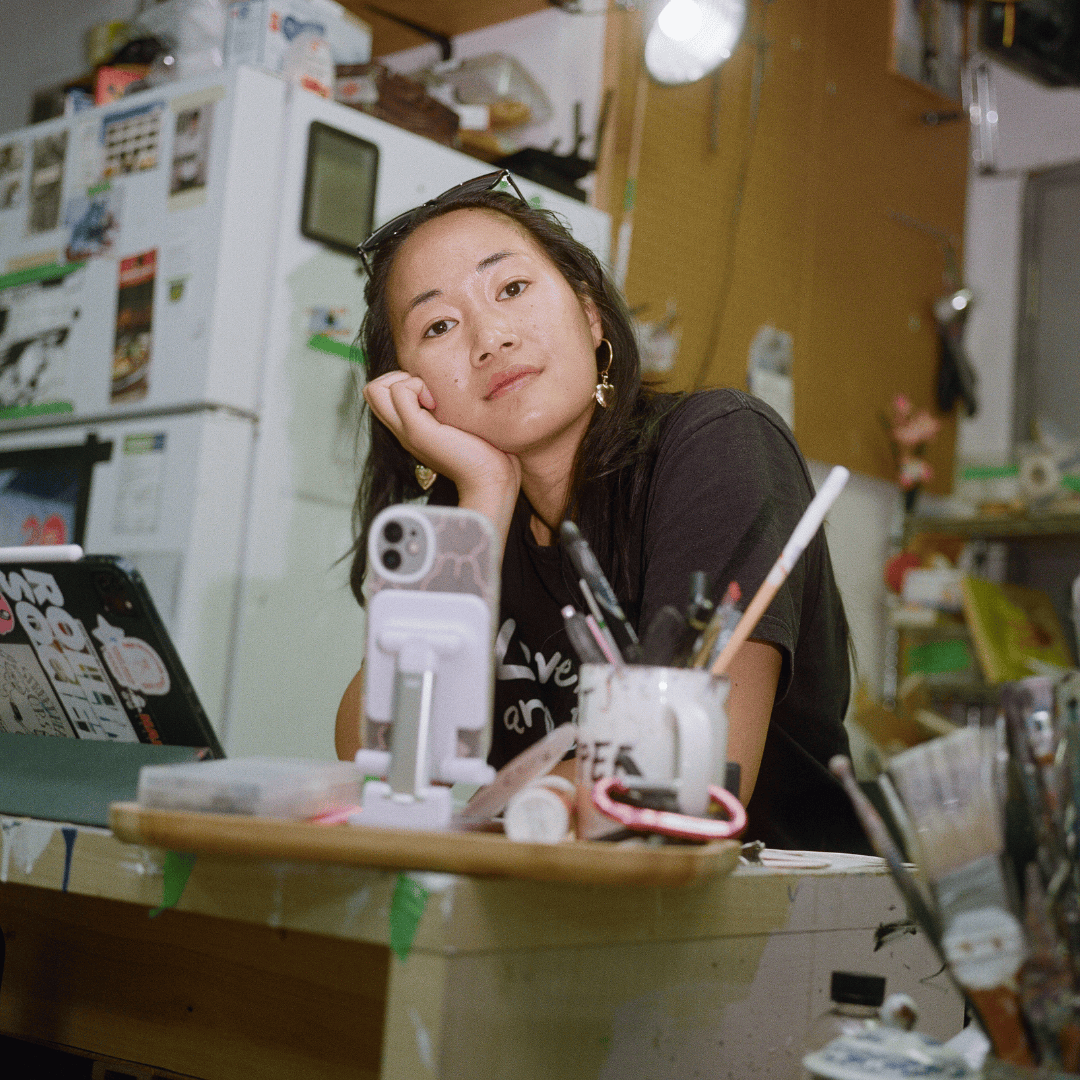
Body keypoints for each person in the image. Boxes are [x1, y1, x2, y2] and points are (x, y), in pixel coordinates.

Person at [335, 171, 867, 852]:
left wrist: (511, 807)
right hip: (558, 899)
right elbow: (374, 766)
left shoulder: (719, 444)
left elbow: (687, 782)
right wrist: (485, 497)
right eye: (437, 325)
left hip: (769, 918)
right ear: (412, 391)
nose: (490, 338)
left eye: (513, 288)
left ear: (590, 315)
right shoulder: (467, 526)